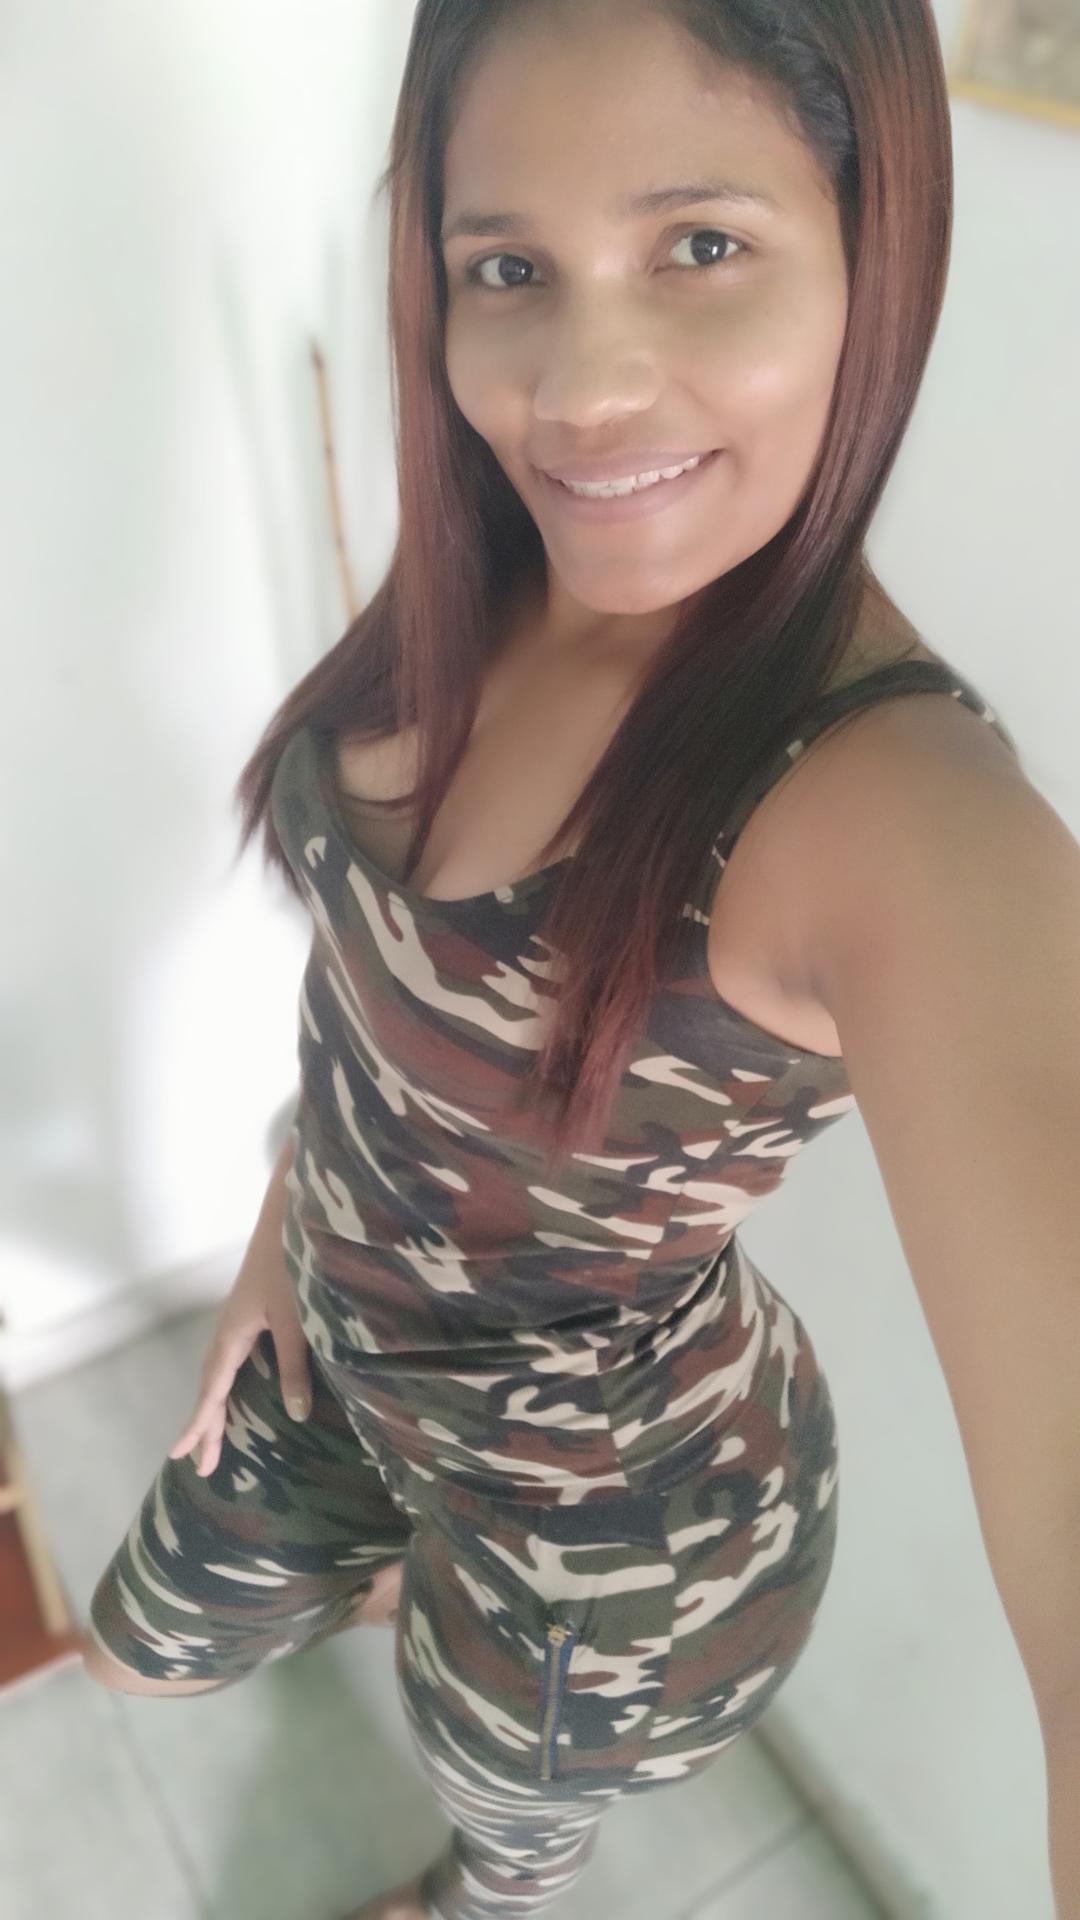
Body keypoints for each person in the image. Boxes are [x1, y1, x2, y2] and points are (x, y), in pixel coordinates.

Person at [82, 4, 1080, 1919]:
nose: (581, 389)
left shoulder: (893, 811)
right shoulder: (501, 567)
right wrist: (285, 1232)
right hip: (342, 1349)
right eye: (509, 269)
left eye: (700, 243)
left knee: (504, 1832)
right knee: (139, 1651)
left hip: (616, 1549)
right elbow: (372, 1006)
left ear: (874, 254)